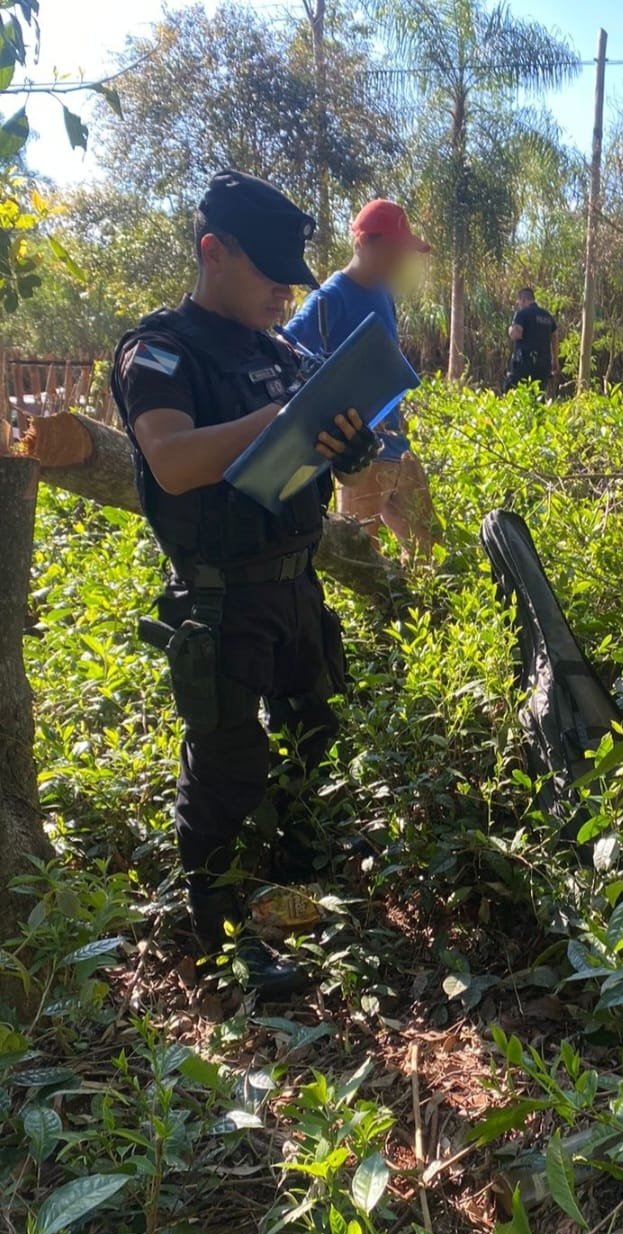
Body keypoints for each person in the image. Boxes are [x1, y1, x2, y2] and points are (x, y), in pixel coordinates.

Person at [111, 170, 379, 999]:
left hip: (295, 586)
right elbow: (174, 460)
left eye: (290, 274)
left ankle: (297, 881)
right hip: (221, 596)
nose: (283, 291)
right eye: (267, 272)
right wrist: (285, 417)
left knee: (313, 731)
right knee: (226, 766)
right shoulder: (160, 350)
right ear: (212, 252)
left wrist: (345, 444)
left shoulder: (283, 349)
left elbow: (304, 457)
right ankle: (223, 938)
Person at [286, 199, 437, 557]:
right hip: (356, 454)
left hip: (397, 447)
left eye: (403, 252)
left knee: (430, 550)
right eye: (393, 251)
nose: (400, 261)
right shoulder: (328, 300)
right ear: (362, 243)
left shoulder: (384, 295)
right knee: (359, 558)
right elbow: (285, 354)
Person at [504, 288, 558, 394]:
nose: (519, 305)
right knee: (538, 396)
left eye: (519, 302)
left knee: (511, 392)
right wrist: (555, 359)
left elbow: (516, 335)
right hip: (544, 365)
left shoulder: (522, 314)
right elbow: (555, 336)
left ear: (523, 300)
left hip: (524, 363)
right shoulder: (547, 316)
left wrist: (510, 329)